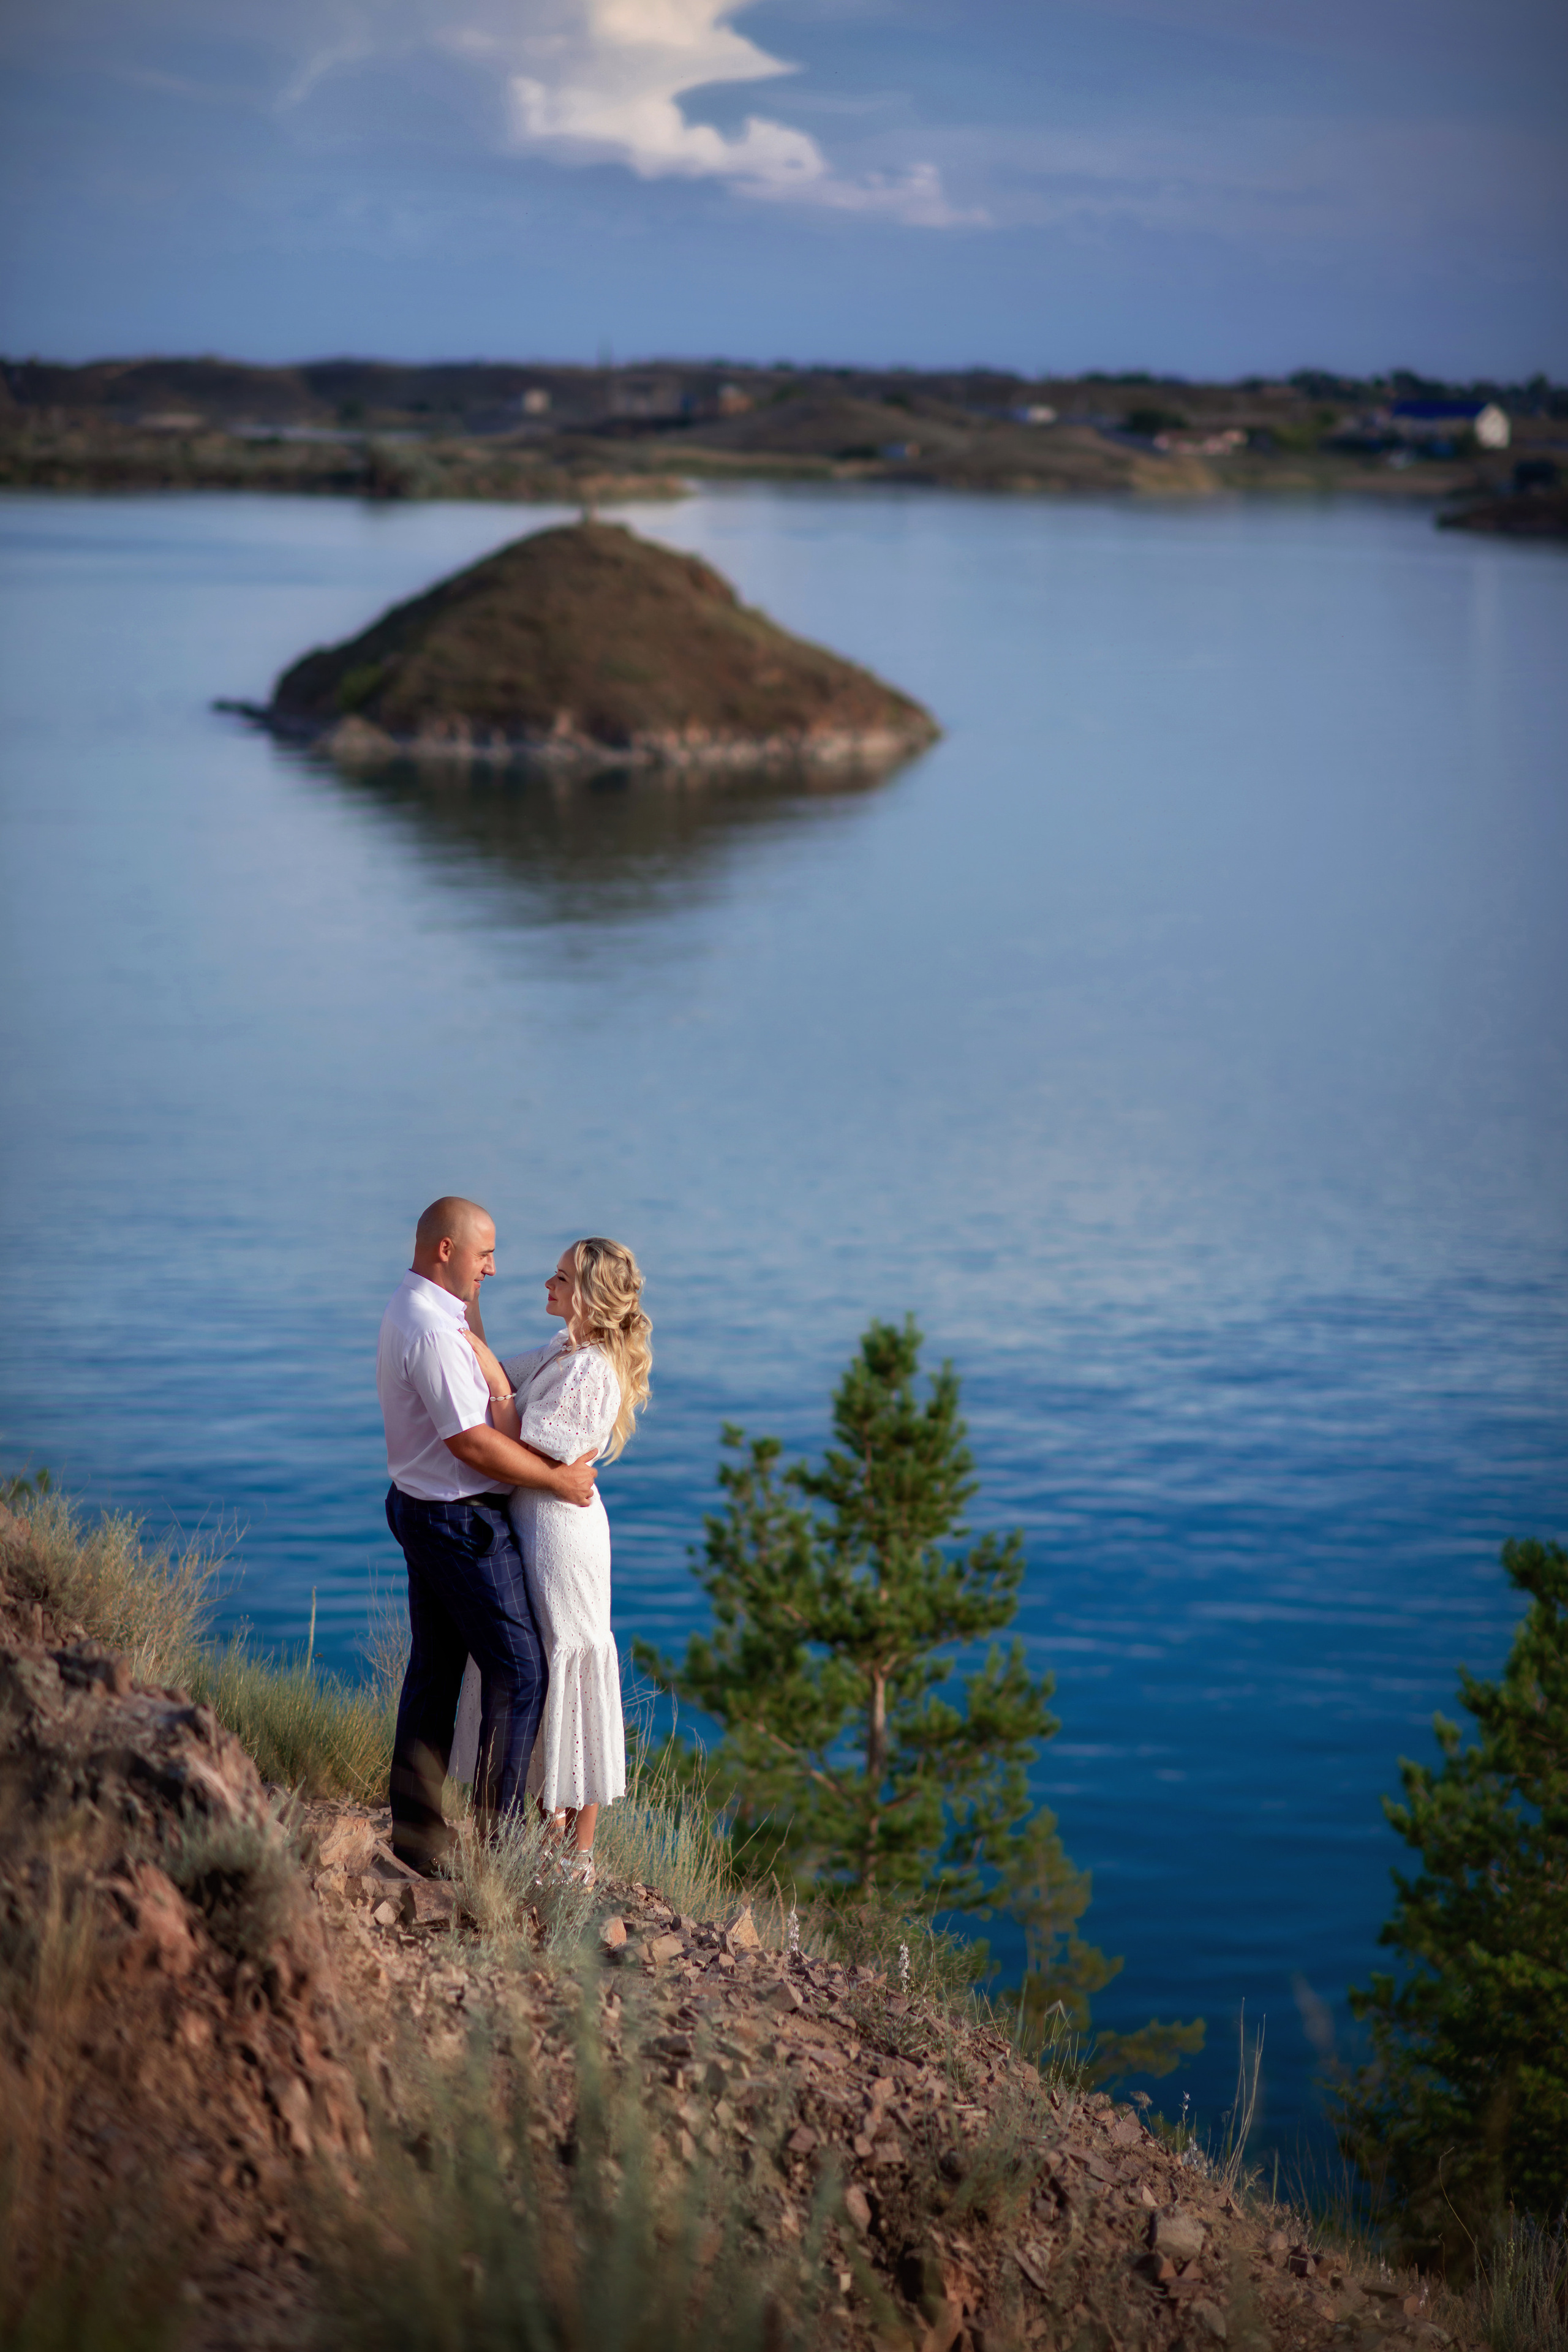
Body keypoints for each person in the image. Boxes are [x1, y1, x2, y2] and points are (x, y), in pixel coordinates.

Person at [376, 1196, 597, 1874]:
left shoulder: (425, 1308)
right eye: (484, 1255)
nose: (495, 1270)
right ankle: (501, 1850)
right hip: (458, 1520)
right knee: (521, 1670)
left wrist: (474, 1314)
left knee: (436, 1670)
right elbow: (472, 1444)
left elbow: (468, 1325)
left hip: (426, 1507)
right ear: (446, 1250)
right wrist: (557, 1482)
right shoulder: (433, 1333)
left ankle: (417, 1832)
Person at [453, 1237, 650, 1888]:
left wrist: (482, 1363)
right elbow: (500, 1384)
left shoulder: (591, 1369)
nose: (547, 1283)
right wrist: (469, 1313)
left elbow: (518, 1433)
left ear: (590, 1299)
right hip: (540, 1526)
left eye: (560, 1277)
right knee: (543, 1667)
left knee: (572, 1662)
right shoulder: (566, 1351)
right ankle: (553, 1833)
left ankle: (579, 1857)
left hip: (565, 1538)